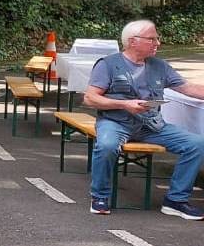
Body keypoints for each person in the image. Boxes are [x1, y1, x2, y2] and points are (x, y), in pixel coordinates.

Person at [83, 19, 204, 219]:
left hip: (151, 125)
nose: (157, 43)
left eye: (156, 38)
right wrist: (124, 104)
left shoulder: (160, 66)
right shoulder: (108, 64)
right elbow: (90, 98)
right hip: (116, 123)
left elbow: (188, 88)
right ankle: (100, 197)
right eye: (152, 39)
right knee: (106, 146)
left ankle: (176, 200)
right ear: (133, 41)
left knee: (197, 144)